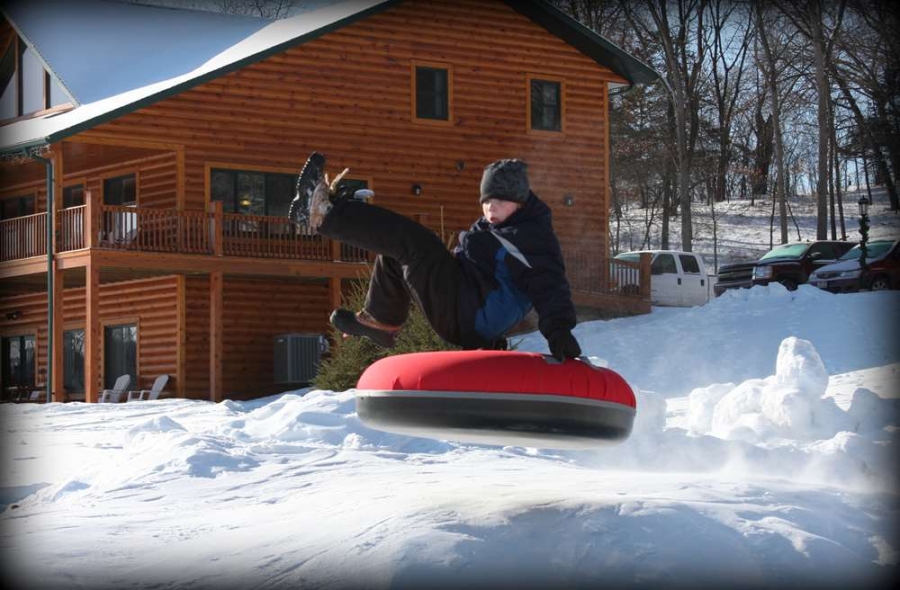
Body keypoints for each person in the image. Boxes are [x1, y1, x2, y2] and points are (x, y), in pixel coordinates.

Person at [288, 152, 582, 361]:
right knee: (397, 250)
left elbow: (550, 284)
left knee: (418, 243)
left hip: (471, 316)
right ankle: (380, 320)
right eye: (487, 202)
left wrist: (558, 332)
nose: (491, 209)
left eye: (501, 202)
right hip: (465, 307)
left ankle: (324, 216)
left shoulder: (531, 238)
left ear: (519, 203)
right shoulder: (493, 228)